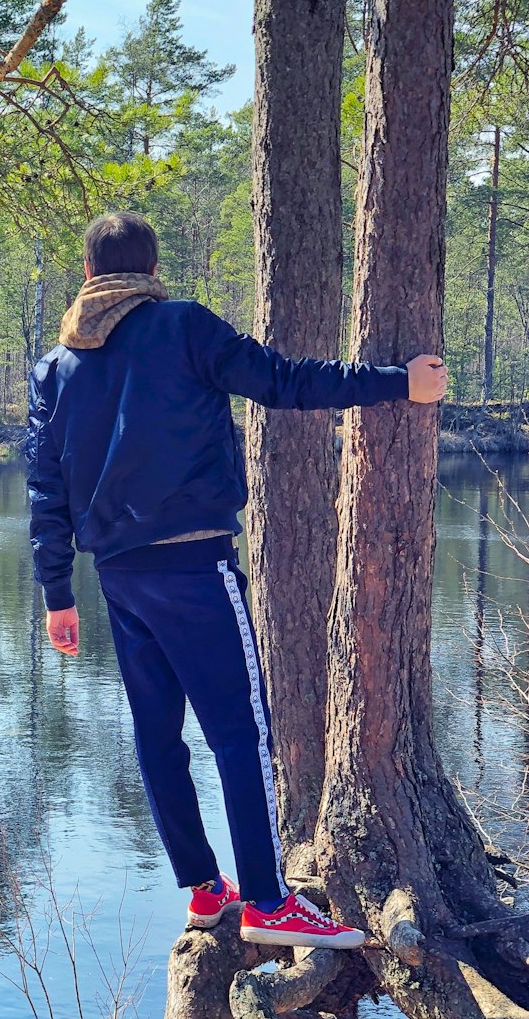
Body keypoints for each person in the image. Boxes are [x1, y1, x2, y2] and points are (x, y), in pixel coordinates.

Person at [25, 212, 447, 949]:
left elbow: (45, 488)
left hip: (118, 577)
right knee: (241, 732)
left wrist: (57, 593)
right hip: (195, 563)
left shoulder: (56, 367)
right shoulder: (183, 326)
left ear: (89, 275)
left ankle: (203, 889)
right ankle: (266, 900)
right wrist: (398, 383)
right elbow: (283, 381)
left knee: (158, 736)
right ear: (151, 272)